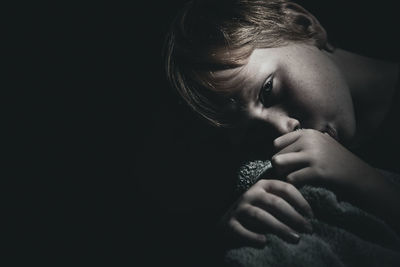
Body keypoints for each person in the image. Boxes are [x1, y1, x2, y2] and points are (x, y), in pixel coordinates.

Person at [163, 0, 400, 249]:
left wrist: (368, 184)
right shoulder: (285, 180)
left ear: (301, 24)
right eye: (253, 134)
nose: (280, 131)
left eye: (268, 91)